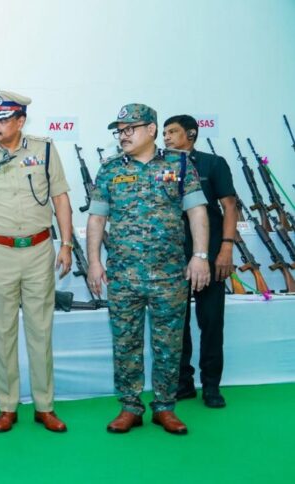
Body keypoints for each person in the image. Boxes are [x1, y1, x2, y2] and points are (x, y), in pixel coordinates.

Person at [86, 103, 211, 435]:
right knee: (125, 344)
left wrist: (199, 255)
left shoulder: (180, 164)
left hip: (169, 274)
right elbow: (97, 218)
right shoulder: (110, 169)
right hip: (124, 275)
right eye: (120, 130)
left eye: (131, 129)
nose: (123, 135)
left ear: (152, 130)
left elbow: (197, 211)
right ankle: (130, 407)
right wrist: (95, 262)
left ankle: (165, 407)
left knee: (169, 344)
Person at [0, 90, 73, 434]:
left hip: (40, 249)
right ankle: (7, 406)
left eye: (2, 119)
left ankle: (45, 406)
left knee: (41, 331)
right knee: (2, 331)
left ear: (20, 121)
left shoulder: (43, 149)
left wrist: (67, 244)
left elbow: (60, 197)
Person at [164, 114, 237, 408]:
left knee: (211, 323)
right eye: (164, 132)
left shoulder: (212, 164)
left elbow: (230, 206)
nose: (166, 137)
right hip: (173, 257)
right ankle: (183, 383)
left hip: (210, 255)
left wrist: (226, 249)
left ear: (191, 134)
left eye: (173, 132)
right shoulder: (162, 166)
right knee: (175, 325)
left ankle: (211, 386)